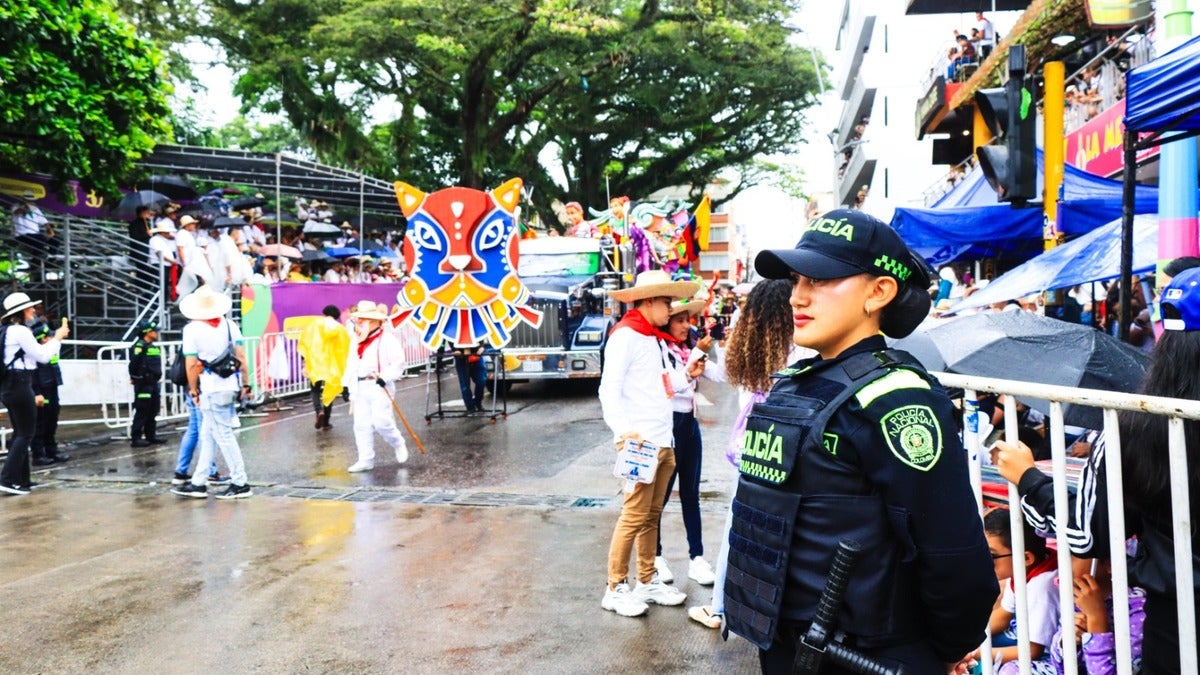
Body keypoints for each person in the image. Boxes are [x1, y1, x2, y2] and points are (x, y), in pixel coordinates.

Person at [725, 209, 997, 673]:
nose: (797, 297)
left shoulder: (897, 400)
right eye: (796, 280)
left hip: (867, 659)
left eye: (820, 280)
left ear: (879, 292)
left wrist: (945, 649)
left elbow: (952, 552)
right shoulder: (797, 383)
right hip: (788, 648)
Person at [992, 265, 1200, 674]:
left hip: (1177, 624)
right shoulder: (1135, 429)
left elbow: (1087, 533)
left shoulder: (1134, 430)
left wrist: (1028, 480)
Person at [686, 279, 812, 629]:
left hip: (753, 450)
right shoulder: (803, 350)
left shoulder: (751, 350)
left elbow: (728, 376)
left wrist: (702, 358)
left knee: (739, 526)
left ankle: (719, 608)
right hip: (792, 449)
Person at [598, 269, 700, 618]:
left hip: (662, 439)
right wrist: (625, 432)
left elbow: (661, 385)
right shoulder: (625, 336)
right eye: (667, 302)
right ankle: (615, 588)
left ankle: (646, 581)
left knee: (650, 515)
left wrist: (685, 375)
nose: (671, 309)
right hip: (640, 443)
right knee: (634, 515)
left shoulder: (652, 338)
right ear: (650, 300)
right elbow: (608, 390)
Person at [653, 297, 719, 588]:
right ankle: (655, 557)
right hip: (668, 426)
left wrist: (721, 346)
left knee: (691, 494)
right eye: (679, 320)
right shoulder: (659, 349)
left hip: (690, 424)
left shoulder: (687, 349)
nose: (685, 326)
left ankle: (697, 557)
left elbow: (719, 374)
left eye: (688, 320)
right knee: (660, 496)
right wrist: (698, 352)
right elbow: (670, 385)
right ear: (667, 322)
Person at [170, 286, 253, 500]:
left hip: (211, 387)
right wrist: (246, 384)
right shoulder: (230, 325)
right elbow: (241, 357)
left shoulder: (192, 329)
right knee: (208, 435)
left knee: (223, 436)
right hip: (230, 385)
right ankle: (199, 482)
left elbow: (191, 364)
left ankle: (240, 482)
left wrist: (193, 389)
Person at [0, 292, 69, 495]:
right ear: (21, 311)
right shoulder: (20, 331)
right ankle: (7, 479)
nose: (33, 310)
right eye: (29, 308)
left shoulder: (7, 330)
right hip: (20, 384)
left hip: (11, 385)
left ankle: (22, 480)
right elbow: (43, 356)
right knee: (25, 434)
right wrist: (57, 338)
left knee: (20, 432)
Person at [978, 508, 1059, 673]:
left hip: (1046, 653)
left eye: (991, 556)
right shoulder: (1022, 569)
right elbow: (1004, 615)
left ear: (1026, 558)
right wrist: (968, 635)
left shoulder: (1042, 588)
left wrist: (977, 653)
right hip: (1020, 632)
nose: (983, 563)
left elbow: (1033, 651)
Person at [344, 300, 408, 472]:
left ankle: (398, 442)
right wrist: (347, 385)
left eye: (363, 320)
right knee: (361, 424)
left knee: (382, 422)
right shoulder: (356, 340)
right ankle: (365, 459)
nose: (359, 323)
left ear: (375, 322)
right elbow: (351, 363)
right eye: (358, 320)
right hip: (361, 386)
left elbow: (398, 362)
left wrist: (385, 377)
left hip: (379, 386)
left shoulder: (387, 339)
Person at [297, 304, 350, 431]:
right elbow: (345, 349)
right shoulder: (340, 329)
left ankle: (318, 411)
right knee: (329, 392)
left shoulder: (314, 325)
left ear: (324, 313)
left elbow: (305, 343)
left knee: (315, 389)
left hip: (316, 362)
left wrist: (305, 361)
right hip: (332, 365)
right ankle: (326, 422)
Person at [29, 321, 69, 466]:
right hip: (42, 390)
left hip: (52, 387)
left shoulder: (49, 349)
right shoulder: (36, 353)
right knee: (40, 423)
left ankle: (51, 451)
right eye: (49, 336)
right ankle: (38, 455)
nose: (53, 338)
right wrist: (37, 393)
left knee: (52, 420)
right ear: (43, 339)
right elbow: (32, 374)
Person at [128, 319, 168, 447]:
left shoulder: (151, 346)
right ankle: (136, 438)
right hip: (143, 383)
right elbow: (133, 364)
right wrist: (134, 377)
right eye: (154, 331)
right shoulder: (139, 346)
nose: (156, 333)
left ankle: (151, 436)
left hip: (153, 383)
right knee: (142, 410)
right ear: (147, 332)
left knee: (152, 410)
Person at [451, 343, 488, 413]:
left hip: (476, 356)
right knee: (465, 386)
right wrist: (455, 349)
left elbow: (480, 336)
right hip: (461, 358)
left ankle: (477, 403)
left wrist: (482, 347)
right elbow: (451, 338)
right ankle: (470, 407)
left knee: (481, 381)